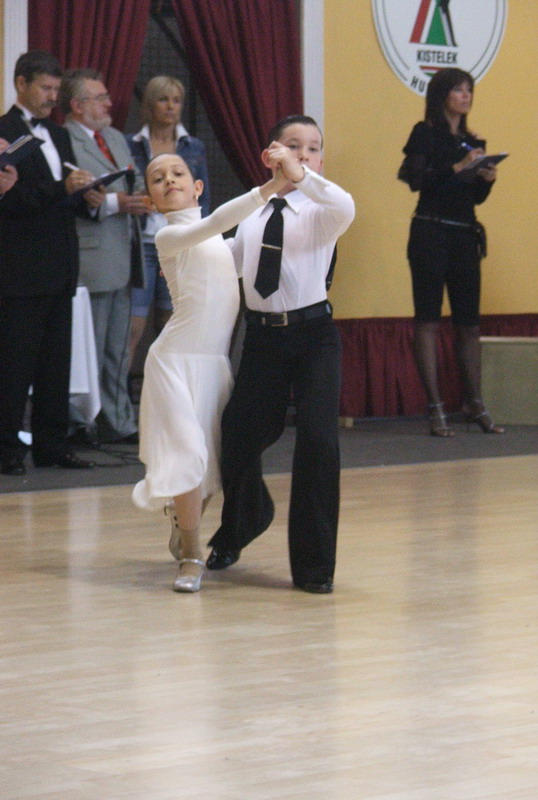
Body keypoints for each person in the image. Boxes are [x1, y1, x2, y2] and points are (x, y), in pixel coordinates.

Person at [206, 114, 356, 595]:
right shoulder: (251, 215)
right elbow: (221, 263)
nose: (304, 154)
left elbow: (344, 203)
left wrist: (301, 176)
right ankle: (244, 520)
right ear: (269, 154)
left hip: (314, 338)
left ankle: (315, 567)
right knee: (237, 436)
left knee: (318, 442)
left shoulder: (323, 211)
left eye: (313, 148)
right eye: (293, 145)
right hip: (264, 340)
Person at [131, 151, 288, 592]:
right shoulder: (170, 236)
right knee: (187, 457)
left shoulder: (220, 244)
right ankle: (192, 557)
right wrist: (272, 186)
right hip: (173, 363)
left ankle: (183, 524)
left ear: (197, 187)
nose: (169, 180)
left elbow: (247, 247)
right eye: (158, 178)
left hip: (213, 366)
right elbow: (219, 219)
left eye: (177, 173)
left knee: (208, 470)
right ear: (152, 201)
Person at [0, 50, 102, 476]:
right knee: (14, 366)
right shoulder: (3, 132)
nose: (52, 97)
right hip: (20, 268)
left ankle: (51, 446)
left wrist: (87, 199)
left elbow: (63, 199)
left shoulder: (59, 135)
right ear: (20, 83)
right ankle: (6, 450)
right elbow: (12, 201)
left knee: (55, 365)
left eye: (57, 89)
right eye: (45, 87)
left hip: (61, 267)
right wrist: (64, 189)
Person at [398, 67, 504, 436]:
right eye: (458, 89)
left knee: (469, 324)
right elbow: (415, 180)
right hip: (429, 230)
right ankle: (435, 406)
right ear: (442, 94)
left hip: (464, 234)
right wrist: (457, 167)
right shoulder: (424, 133)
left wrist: (485, 179)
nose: (466, 95)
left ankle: (475, 402)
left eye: (469, 89)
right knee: (428, 319)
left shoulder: (473, 141)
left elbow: (473, 197)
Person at [59, 68, 147, 445]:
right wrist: (115, 203)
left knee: (117, 348)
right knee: (88, 348)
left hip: (124, 251)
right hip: (90, 256)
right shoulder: (65, 140)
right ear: (77, 105)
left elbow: (134, 181)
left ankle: (118, 420)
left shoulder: (114, 137)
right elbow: (71, 198)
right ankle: (81, 423)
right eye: (100, 98)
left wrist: (137, 197)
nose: (109, 103)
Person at [126, 76, 211, 371]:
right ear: (149, 105)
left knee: (171, 320)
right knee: (133, 325)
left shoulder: (193, 146)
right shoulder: (131, 144)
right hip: (142, 242)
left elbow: (203, 198)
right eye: (164, 100)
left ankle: (169, 382)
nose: (171, 107)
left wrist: (198, 239)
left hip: (179, 241)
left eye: (176, 101)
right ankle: (122, 395)